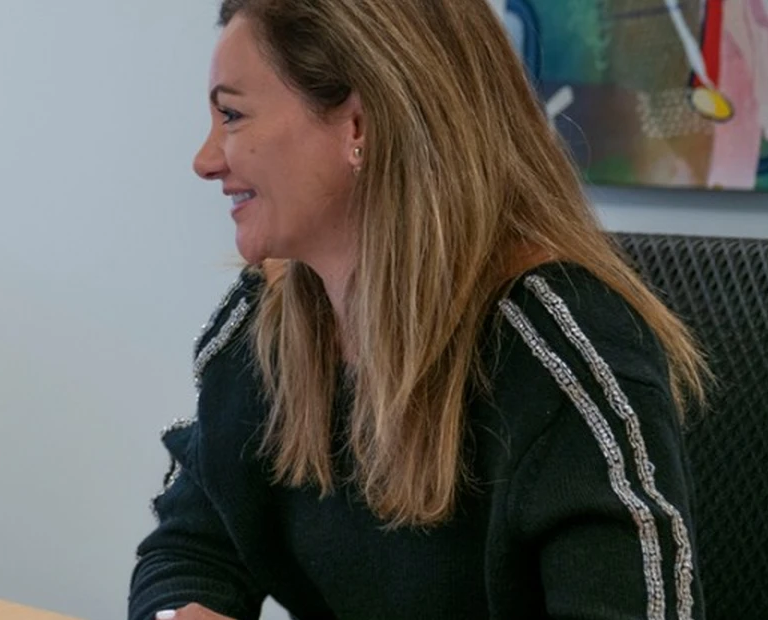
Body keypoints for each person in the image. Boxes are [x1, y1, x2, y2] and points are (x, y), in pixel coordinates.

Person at [129, 1, 710, 619]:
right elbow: (189, 547)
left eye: (232, 116)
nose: (206, 159)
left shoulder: (564, 346)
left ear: (357, 125)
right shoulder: (264, 321)